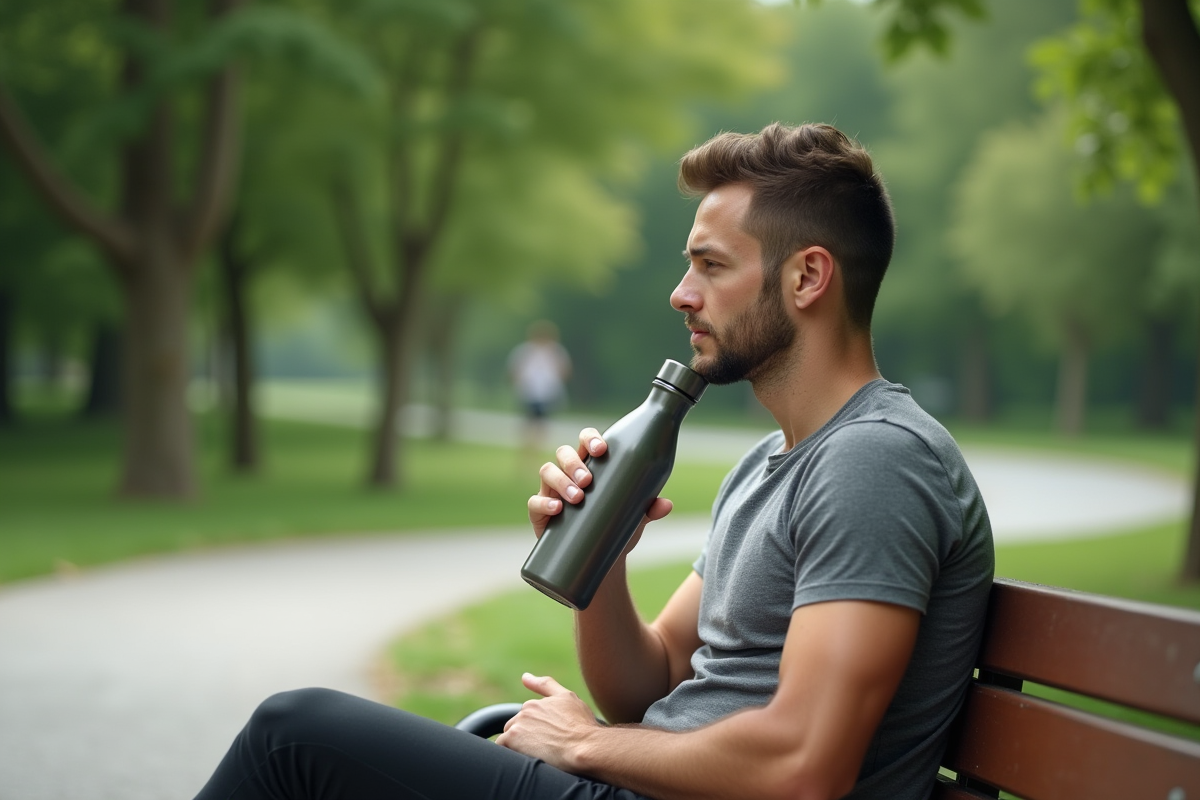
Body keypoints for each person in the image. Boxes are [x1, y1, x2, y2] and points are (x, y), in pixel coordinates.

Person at [193, 122, 994, 800]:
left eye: (711, 266)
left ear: (808, 276)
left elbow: (804, 765)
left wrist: (586, 746)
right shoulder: (774, 462)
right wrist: (600, 552)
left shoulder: (875, 463)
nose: (682, 294)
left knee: (293, 735)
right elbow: (649, 682)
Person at [508, 320, 572, 456]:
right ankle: (526, 453)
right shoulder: (526, 351)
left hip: (547, 394)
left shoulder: (556, 352)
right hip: (529, 393)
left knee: (541, 426)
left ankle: (534, 453)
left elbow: (564, 370)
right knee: (528, 425)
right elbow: (515, 371)